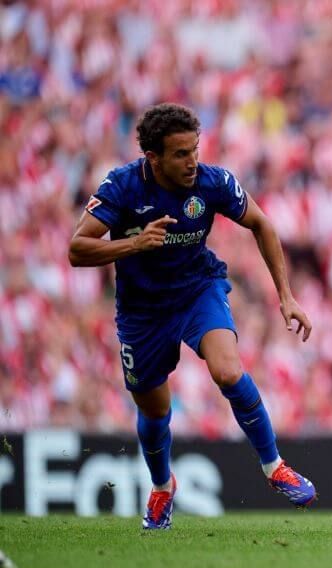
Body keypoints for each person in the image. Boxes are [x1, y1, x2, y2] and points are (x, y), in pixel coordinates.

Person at [69, 103, 317, 529]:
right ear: (154, 157)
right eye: (181, 154)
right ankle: (163, 486)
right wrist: (134, 244)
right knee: (153, 408)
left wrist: (287, 296)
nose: (192, 162)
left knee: (227, 370)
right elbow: (77, 249)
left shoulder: (213, 182)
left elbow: (262, 223)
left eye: (195, 150)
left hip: (197, 290)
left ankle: (273, 465)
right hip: (142, 311)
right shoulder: (122, 187)